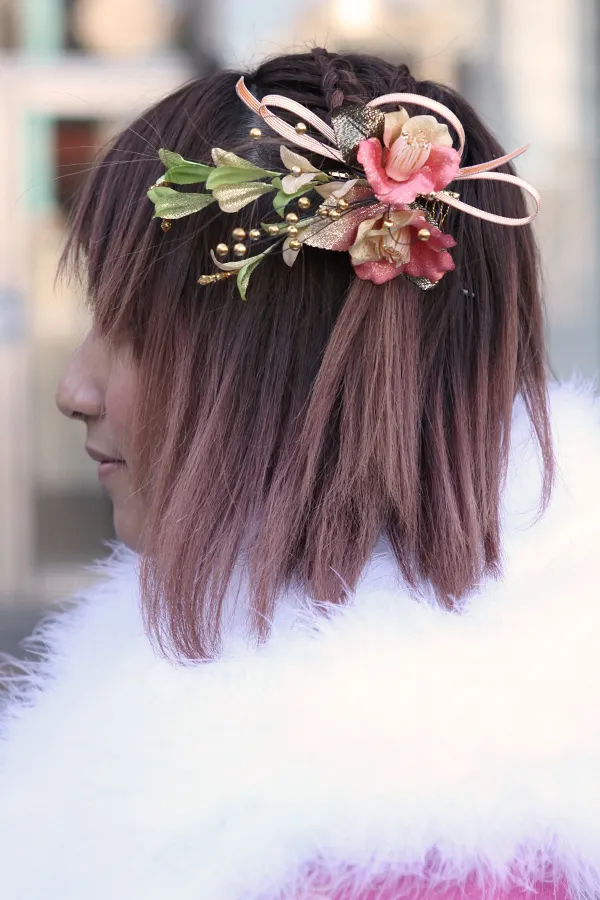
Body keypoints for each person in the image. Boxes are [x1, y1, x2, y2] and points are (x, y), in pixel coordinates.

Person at [1, 47, 599, 900]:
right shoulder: (489, 775)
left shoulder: (412, 864)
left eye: (131, 330)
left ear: (285, 376)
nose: (74, 389)